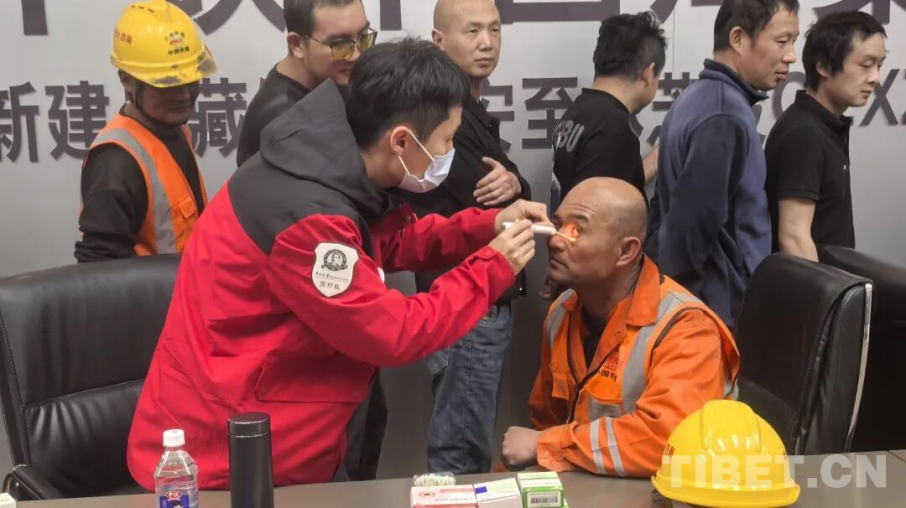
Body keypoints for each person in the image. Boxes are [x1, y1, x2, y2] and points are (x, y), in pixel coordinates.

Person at [127, 38, 550, 489]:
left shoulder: (329, 162)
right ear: (401, 141)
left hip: (280, 429)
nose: (449, 151)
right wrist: (493, 266)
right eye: (446, 139)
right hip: (224, 457)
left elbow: (390, 241)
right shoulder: (308, 219)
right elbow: (395, 332)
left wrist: (489, 225)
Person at [501, 178, 740, 477]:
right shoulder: (562, 312)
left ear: (626, 251)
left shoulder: (687, 329)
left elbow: (667, 443)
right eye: (557, 225)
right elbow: (547, 419)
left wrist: (547, 444)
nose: (555, 241)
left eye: (576, 231)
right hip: (590, 484)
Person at [407, 0, 532, 476]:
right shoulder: (441, 112)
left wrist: (516, 182)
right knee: (460, 457)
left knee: (466, 449)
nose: (487, 42)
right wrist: (514, 188)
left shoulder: (469, 109)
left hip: (475, 300)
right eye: (473, 30)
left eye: (494, 30)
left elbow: (508, 190)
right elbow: (487, 199)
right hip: (466, 306)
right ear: (438, 41)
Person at [645, 0, 800, 330]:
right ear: (738, 39)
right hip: (716, 314)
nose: (791, 56)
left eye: (793, 42)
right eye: (782, 41)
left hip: (701, 306)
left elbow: (663, 210)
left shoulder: (696, 97)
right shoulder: (724, 114)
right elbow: (689, 227)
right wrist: (684, 311)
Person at [75, 0, 215, 262]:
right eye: (167, 83)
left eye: (191, 80)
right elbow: (100, 270)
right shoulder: (115, 164)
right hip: (161, 290)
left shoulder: (175, 129)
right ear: (127, 80)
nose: (185, 95)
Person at [765, 12, 886, 261]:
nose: (875, 78)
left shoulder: (823, 126)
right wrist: (824, 288)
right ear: (823, 66)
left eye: (879, 65)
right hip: (810, 285)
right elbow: (794, 239)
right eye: (866, 65)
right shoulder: (804, 134)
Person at [236, 0, 375, 166]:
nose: (356, 55)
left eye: (363, 36)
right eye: (339, 45)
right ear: (297, 44)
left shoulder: (335, 76)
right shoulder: (281, 123)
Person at [551, 11, 667, 208]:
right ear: (648, 74)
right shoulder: (614, 129)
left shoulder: (577, 112)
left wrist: (651, 163)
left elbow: (604, 180)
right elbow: (598, 212)